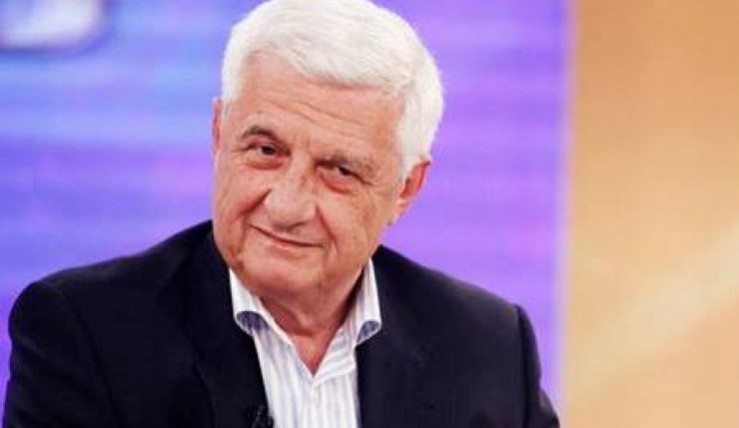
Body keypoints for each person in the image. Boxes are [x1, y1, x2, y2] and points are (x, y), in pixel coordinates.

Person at [3, 0, 559, 427]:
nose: (287, 205)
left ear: (405, 188)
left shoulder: (487, 345)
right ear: (219, 135)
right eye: (266, 151)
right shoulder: (85, 334)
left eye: (339, 170)